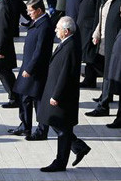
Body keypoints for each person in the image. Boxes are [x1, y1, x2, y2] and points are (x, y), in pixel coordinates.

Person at [38, 16, 91, 172]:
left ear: (66, 31)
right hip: (56, 91)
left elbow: (66, 74)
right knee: (56, 123)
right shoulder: (67, 43)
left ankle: (61, 162)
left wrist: (56, 95)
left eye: (58, 28)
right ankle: (78, 146)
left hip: (62, 96)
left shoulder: (71, 47)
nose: (55, 30)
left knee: (62, 127)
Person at [11, 0, 53, 141]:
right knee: (23, 96)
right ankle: (25, 125)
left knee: (38, 101)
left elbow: (40, 51)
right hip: (28, 66)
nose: (28, 13)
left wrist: (29, 68)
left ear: (39, 10)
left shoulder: (45, 25)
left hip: (36, 70)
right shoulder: (37, 21)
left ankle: (42, 130)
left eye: (30, 11)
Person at [86, 0, 121, 117]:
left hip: (114, 41)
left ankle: (104, 103)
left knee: (109, 72)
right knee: (106, 70)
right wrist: (97, 33)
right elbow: (103, 16)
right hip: (106, 38)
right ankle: (104, 99)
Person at [78, 0, 107, 88]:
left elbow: (98, 11)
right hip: (84, 25)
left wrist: (96, 31)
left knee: (90, 55)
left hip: (90, 27)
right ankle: (89, 78)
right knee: (88, 54)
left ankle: (91, 79)